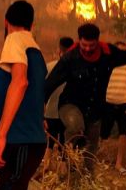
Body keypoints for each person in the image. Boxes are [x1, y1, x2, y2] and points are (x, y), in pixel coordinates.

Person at [44, 24, 126, 172]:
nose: (87, 48)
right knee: (75, 126)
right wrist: (40, 106)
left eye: (91, 45)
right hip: (70, 105)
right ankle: (66, 159)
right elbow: (50, 83)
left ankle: (86, 175)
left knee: (91, 150)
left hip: (95, 110)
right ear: (79, 40)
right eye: (84, 45)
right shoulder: (70, 58)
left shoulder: (108, 53)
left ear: (97, 42)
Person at [0, 0, 47, 190]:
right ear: (32, 24)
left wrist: (0, 136)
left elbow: (20, 82)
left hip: (19, 140)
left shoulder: (15, 39)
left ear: (5, 21)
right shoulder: (35, 48)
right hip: (31, 142)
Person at [100, 41, 126, 176]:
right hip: (108, 102)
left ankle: (118, 163)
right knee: (104, 134)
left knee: (124, 133)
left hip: (124, 103)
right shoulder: (107, 64)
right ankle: (101, 160)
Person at [43, 37, 74, 168]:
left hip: (50, 111)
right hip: (67, 113)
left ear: (59, 51)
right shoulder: (76, 68)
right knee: (64, 142)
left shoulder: (49, 66)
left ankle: (46, 167)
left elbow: (42, 90)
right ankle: (62, 171)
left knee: (50, 142)